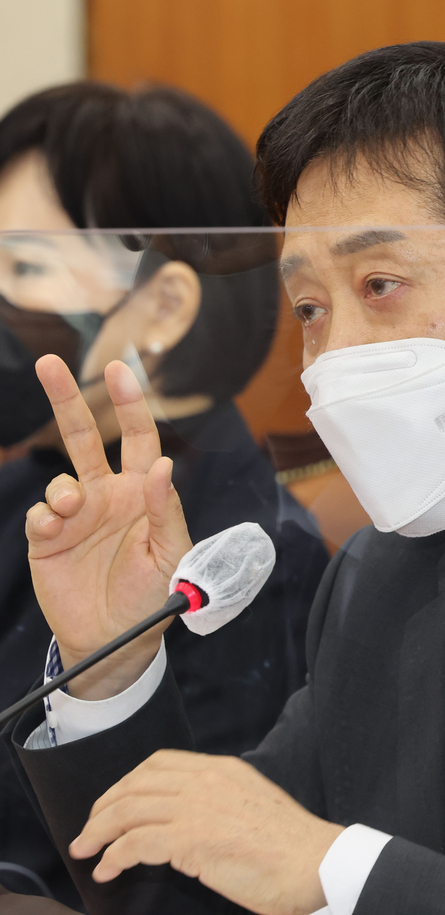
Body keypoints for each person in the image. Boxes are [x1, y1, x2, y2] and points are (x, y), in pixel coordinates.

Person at [6, 41, 445, 915]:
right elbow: (213, 889)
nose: (332, 360)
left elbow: (312, 863)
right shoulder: (376, 583)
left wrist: (342, 869)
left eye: (381, 284)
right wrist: (110, 671)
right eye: (312, 309)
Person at [0, 82, 328, 908]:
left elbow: (191, 884)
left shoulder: (248, 560)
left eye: (24, 266)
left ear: (164, 308)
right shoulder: (24, 484)